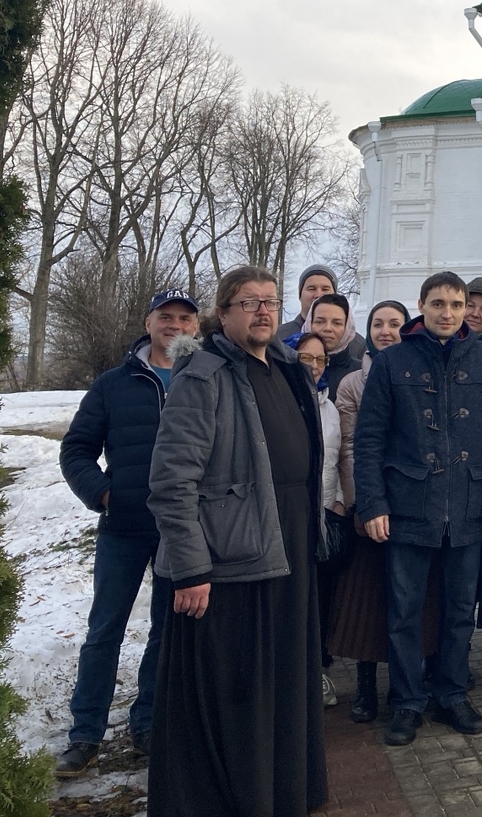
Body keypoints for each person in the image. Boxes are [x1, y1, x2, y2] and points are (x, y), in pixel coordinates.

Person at [145, 267, 327, 816]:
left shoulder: (290, 371)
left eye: (271, 302)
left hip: (289, 541)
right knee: (240, 694)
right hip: (230, 560)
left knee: (285, 682)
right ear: (222, 314)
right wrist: (191, 568)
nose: (264, 312)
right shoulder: (204, 376)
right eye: (250, 303)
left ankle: (281, 795)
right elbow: (171, 482)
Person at [354, 271, 482, 747]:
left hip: (468, 504)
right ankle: (406, 702)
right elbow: (369, 440)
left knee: (460, 610)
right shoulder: (392, 362)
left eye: (457, 304)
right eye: (439, 303)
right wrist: (373, 503)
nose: (448, 313)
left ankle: (451, 693)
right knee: (404, 610)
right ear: (421, 306)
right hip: (408, 506)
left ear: (467, 308)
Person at [54, 289, 197, 777]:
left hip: (180, 531)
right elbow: (75, 449)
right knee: (104, 632)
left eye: (184, 318)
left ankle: (148, 724)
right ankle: (85, 734)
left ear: (196, 327)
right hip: (124, 529)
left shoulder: (202, 380)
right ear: (148, 322)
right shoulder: (114, 384)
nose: (175, 325)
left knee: (166, 631)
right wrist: (105, 495)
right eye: (166, 317)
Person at [329, 300, 441, 725]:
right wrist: (363, 502)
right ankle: (365, 686)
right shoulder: (354, 383)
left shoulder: (420, 372)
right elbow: (354, 447)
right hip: (370, 504)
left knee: (413, 601)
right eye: (378, 324)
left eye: (395, 323)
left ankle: (409, 684)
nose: (386, 330)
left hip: (413, 506)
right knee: (369, 601)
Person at [288, 331, 345, 708]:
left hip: (325, 515)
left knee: (321, 598)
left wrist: (339, 500)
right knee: (291, 599)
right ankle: (290, 675)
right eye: (304, 358)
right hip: (288, 516)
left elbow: (338, 455)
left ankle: (319, 671)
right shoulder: (280, 398)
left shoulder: (330, 407)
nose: (313, 366)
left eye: (319, 360)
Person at [275, 265, 366, 363]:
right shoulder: (278, 337)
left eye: (325, 289)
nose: (318, 294)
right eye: (311, 289)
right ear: (300, 295)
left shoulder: (358, 344)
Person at [303, 292, 362, 406]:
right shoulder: (291, 367)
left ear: (347, 327)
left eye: (337, 323)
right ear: (309, 323)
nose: (327, 328)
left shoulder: (359, 374)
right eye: (320, 322)